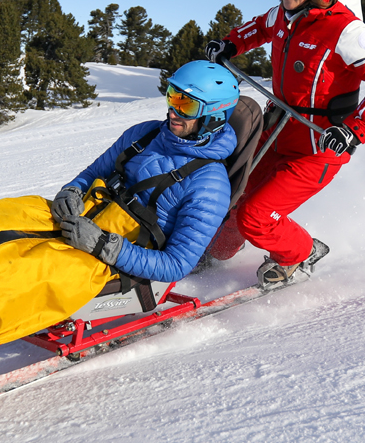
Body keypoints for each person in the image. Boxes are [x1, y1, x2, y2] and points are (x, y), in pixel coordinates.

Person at [204, 0, 365, 288]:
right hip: (278, 129)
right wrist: (229, 45)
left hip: (318, 146)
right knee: (235, 196)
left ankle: (300, 253)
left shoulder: (346, 30)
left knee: (256, 214)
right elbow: (257, 28)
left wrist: (355, 130)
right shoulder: (284, 14)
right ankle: (214, 256)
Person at [52, 60, 241, 283]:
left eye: (186, 105)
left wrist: (102, 244)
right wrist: (73, 189)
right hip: (86, 216)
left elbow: (176, 264)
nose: (172, 112)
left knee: (26, 270)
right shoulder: (145, 133)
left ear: (214, 117)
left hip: (116, 253)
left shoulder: (210, 185)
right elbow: (95, 171)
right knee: (7, 218)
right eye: (172, 97)